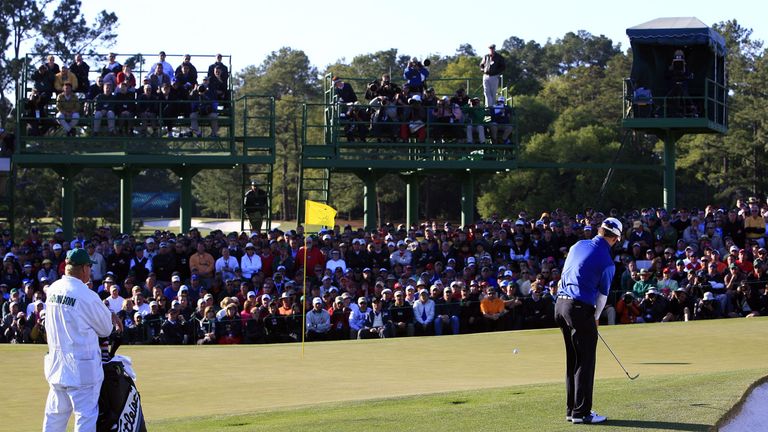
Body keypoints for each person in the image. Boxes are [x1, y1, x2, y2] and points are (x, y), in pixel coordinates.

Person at [555, 217, 623, 424]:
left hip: (560, 305)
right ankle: (582, 413)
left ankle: (571, 409)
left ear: (600, 230)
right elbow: (602, 297)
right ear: (615, 239)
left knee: (573, 360)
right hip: (579, 308)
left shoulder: (577, 245)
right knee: (585, 361)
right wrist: (595, 318)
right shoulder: (608, 262)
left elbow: (564, 274)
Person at [42, 248, 118, 431]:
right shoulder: (87, 295)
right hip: (81, 368)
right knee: (85, 417)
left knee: (54, 417)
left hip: (56, 366)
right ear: (84, 268)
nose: (90, 271)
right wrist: (110, 314)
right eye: (89, 267)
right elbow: (106, 329)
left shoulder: (53, 289)